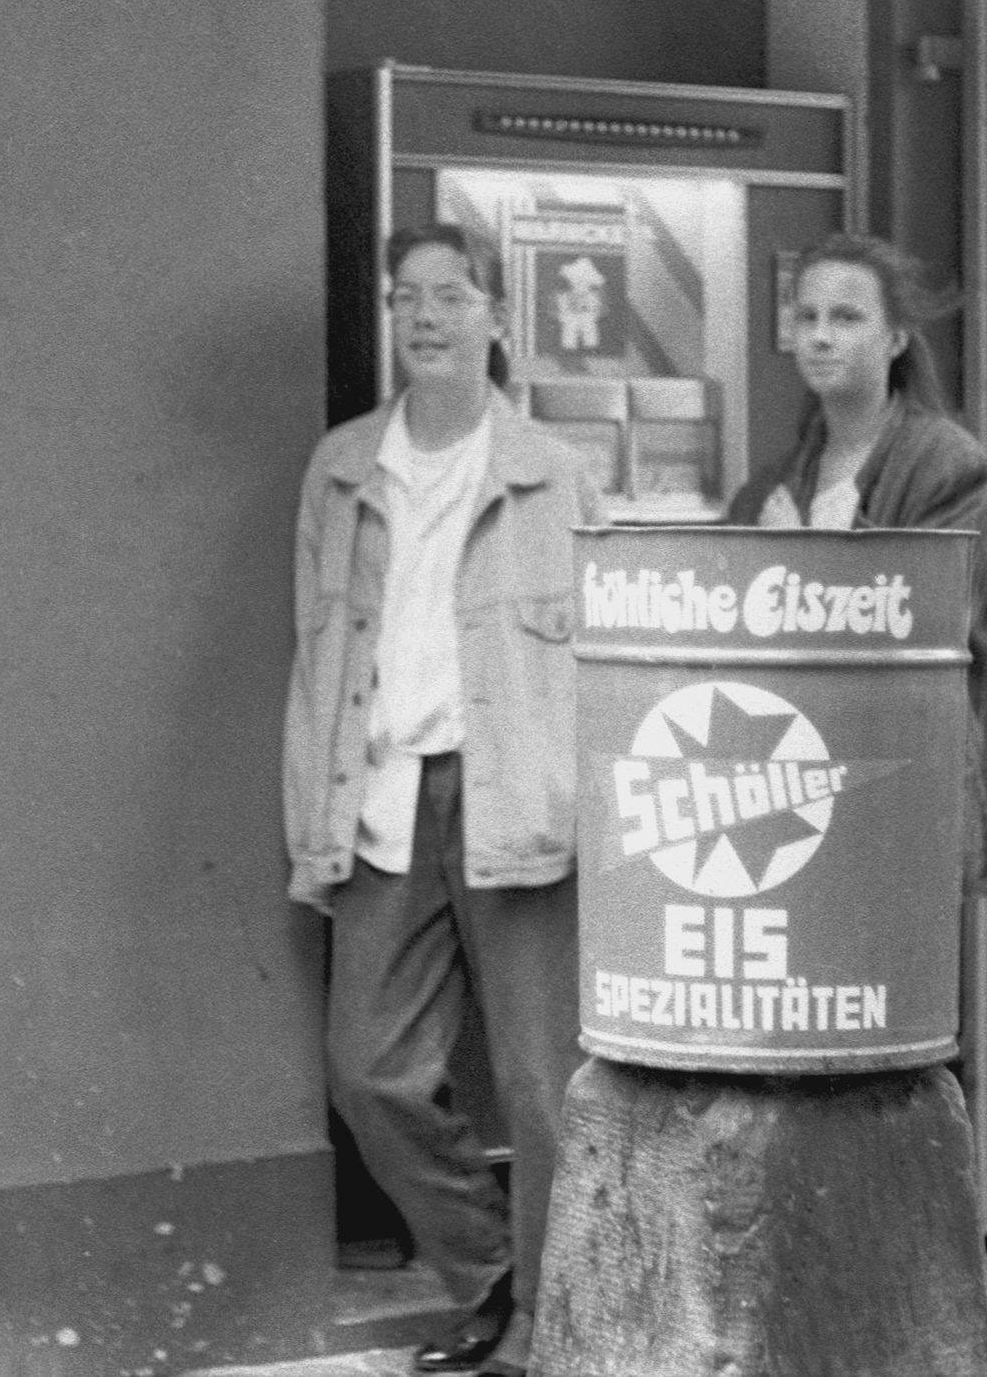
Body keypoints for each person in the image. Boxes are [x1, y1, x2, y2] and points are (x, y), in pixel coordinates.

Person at [283, 224, 600, 1377]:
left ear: (496, 316)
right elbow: (319, 658)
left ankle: (551, 1325)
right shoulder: (341, 467)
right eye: (406, 297)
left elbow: (598, 658)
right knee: (368, 1071)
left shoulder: (549, 470)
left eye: (451, 295)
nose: (425, 316)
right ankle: (489, 1275)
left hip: (513, 792)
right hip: (383, 797)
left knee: (542, 1084)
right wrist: (310, 819)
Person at [727, 232, 987, 894]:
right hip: (792, 791)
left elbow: (922, 624)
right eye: (808, 317)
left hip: (901, 792)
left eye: (847, 318)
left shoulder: (948, 467)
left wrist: (795, 562)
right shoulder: (768, 487)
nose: (822, 336)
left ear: (897, 339)